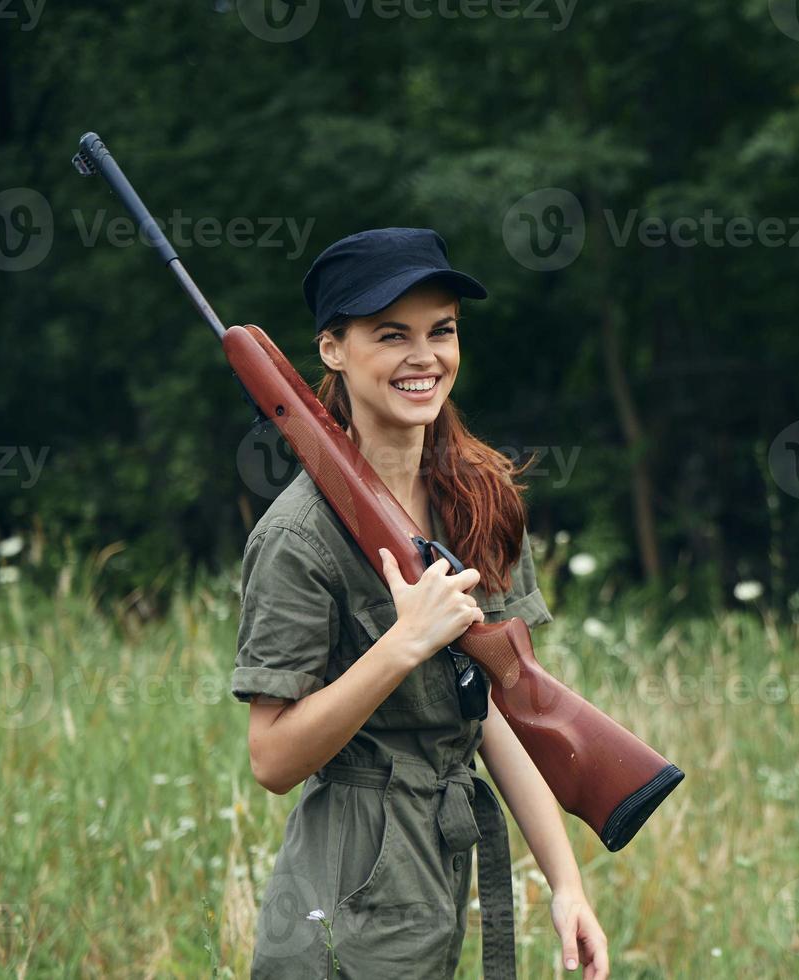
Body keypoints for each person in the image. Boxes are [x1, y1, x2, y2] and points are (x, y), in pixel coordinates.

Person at [232, 228, 609, 979]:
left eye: (442, 331)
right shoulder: (297, 536)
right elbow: (272, 757)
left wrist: (566, 884)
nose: (424, 356)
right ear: (333, 349)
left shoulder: (480, 499)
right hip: (340, 891)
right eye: (390, 334)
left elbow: (500, 708)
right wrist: (402, 643)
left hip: (441, 871)